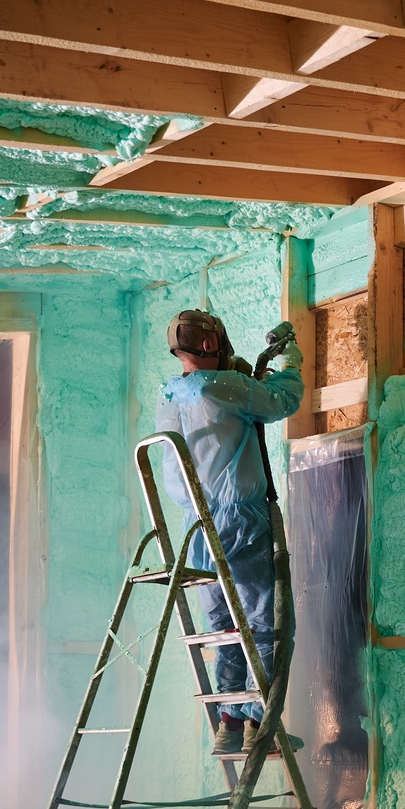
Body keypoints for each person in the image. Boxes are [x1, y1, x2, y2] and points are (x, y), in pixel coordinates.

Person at [155, 309, 303, 756]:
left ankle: (229, 723)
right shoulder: (223, 386)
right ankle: (262, 721)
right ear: (208, 345)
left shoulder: (171, 392)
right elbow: (280, 401)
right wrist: (292, 364)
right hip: (239, 519)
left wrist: (246, 380)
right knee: (266, 623)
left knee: (224, 624)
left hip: (195, 527)